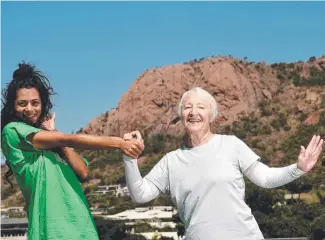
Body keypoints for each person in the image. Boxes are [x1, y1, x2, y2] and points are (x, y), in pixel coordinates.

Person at [122, 87, 324, 240]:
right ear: (181, 116)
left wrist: (298, 169)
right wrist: (130, 157)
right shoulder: (170, 161)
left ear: (212, 115)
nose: (193, 112)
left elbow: (265, 177)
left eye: (201, 107)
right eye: (187, 107)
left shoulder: (231, 145)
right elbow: (140, 194)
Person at [1, 62, 144, 240]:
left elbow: (83, 172)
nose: (29, 109)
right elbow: (67, 138)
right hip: (51, 233)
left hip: (83, 230)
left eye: (35, 103)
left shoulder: (53, 144)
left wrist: (55, 138)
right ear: (13, 107)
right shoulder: (12, 131)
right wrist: (118, 143)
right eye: (22, 103)